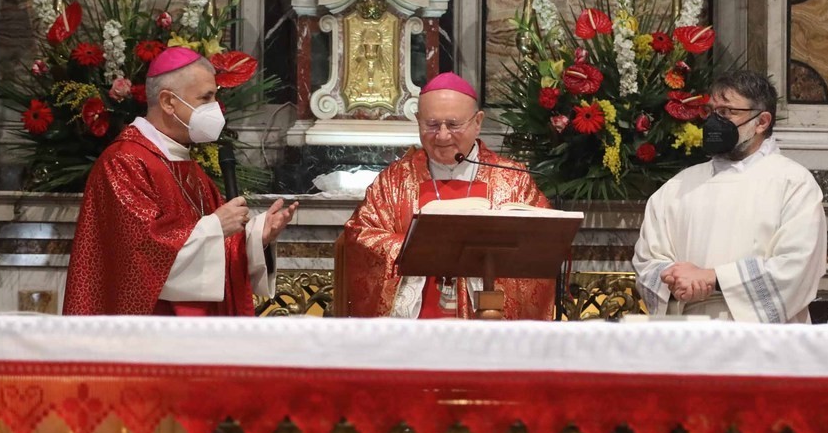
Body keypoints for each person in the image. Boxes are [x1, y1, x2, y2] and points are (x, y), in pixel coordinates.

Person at [632, 69, 828, 433]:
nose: (714, 123)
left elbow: (799, 270)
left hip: (764, 363)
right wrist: (673, 276)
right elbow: (648, 260)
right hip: (692, 357)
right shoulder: (679, 187)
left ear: (762, 122)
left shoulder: (793, 183)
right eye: (710, 111)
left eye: (728, 113)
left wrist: (714, 278)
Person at [63, 46, 297, 316]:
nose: (215, 108)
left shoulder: (189, 168)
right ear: (168, 102)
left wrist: (257, 239)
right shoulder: (124, 162)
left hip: (194, 334)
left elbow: (214, 250)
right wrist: (216, 226)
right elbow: (141, 257)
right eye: (205, 98)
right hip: (149, 331)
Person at [343, 71, 554, 319]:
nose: (442, 136)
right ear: (418, 120)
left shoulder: (512, 181)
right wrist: (423, 249)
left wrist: (478, 256)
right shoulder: (395, 181)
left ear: (478, 122)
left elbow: (541, 250)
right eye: (431, 125)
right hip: (415, 334)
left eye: (453, 125)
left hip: (486, 334)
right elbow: (361, 237)